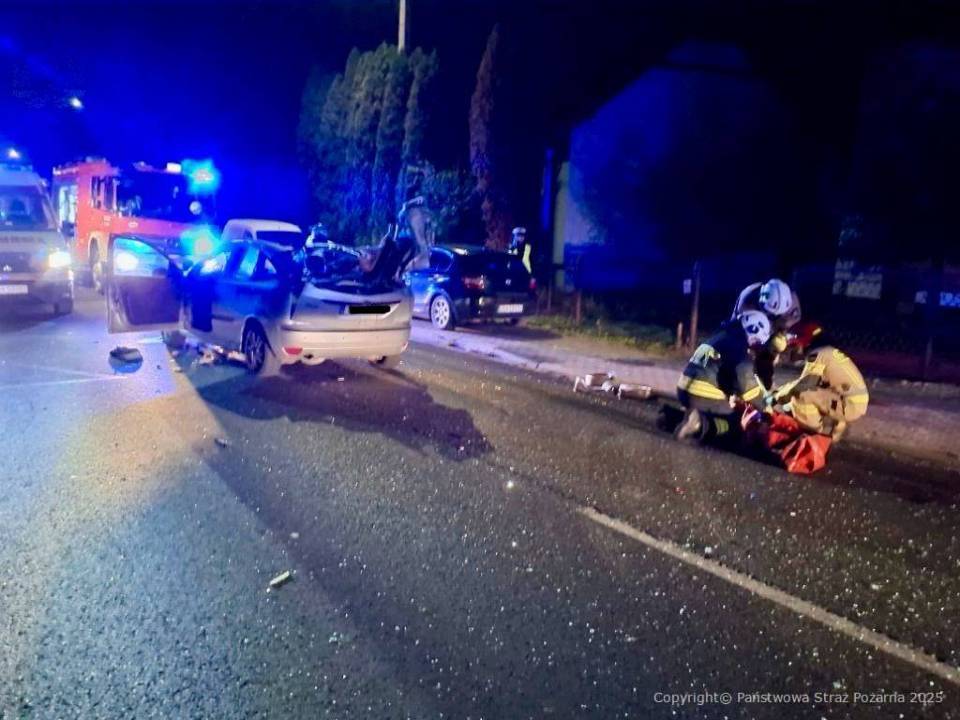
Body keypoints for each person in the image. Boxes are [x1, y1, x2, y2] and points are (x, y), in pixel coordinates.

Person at [675, 310, 772, 442]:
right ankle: (700, 424)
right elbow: (747, 385)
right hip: (702, 394)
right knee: (737, 423)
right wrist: (765, 408)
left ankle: (671, 417)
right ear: (754, 331)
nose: (754, 347)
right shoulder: (738, 347)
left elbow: (724, 373)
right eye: (757, 342)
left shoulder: (722, 335)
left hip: (683, 388)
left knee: (714, 410)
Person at [770, 321, 869, 442]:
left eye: (795, 346)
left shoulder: (817, 354)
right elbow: (808, 382)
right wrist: (781, 392)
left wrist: (777, 397)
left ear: (805, 342)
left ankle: (813, 437)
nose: (793, 351)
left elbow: (805, 385)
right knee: (809, 391)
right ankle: (836, 424)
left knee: (802, 395)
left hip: (849, 404)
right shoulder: (826, 351)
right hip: (853, 400)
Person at [732, 278, 801, 388]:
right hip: (751, 326)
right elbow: (741, 327)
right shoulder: (747, 302)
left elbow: (791, 322)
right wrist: (757, 347)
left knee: (774, 348)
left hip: (773, 326)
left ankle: (767, 380)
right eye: (771, 313)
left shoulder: (790, 302)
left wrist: (781, 335)